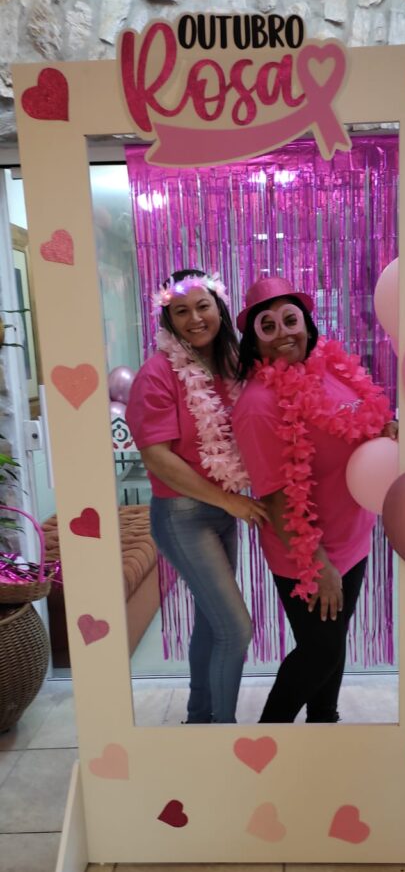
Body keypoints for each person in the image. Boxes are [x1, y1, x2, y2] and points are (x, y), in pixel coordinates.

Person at [232, 276, 394, 723]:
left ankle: (325, 722)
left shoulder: (332, 368)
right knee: (320, 651)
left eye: (291, 320)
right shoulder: (258, 406)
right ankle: (269, 737)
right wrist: (318, 563)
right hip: (306, 554)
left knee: (333, 646)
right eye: (267, 326)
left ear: (307, 322)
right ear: (254, 341)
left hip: (353, 534)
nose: (283, 333)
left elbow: (363, 421)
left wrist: (385, 430)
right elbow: (275, 497)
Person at [125, 269, 268, 724]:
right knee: (236, 628)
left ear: (219, 309)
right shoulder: (157, 374)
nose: (194, 319)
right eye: (181, 311)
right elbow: (158, 458)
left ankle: (199, 717)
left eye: (203, 306)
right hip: (183, 515)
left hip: (223, 510)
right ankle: (223, 734)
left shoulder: (231, 364)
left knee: (213, 621)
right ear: (167, 319)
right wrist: (231, 502)